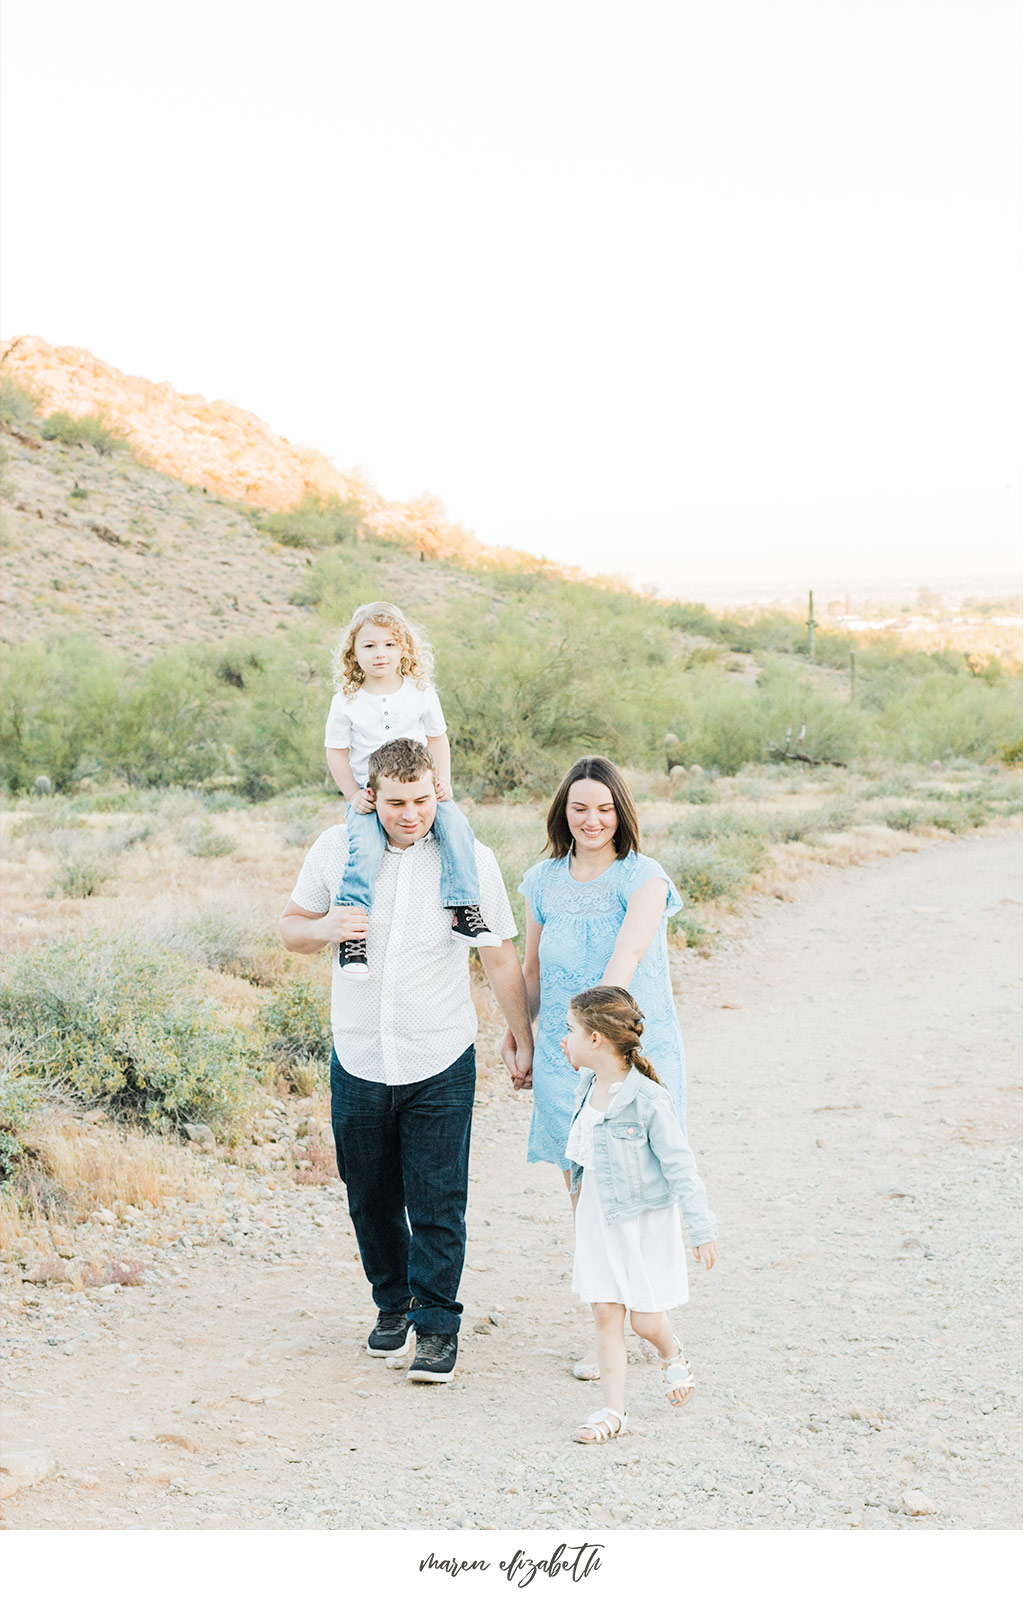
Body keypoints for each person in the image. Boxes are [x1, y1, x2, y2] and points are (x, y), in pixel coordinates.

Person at [279, 737, 533, 1385]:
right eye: (396, 802)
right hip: (359, 1055)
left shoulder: (469, 858)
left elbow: (498, 955)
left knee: (439, 1199)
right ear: (372, 795)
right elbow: (291, 929)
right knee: (369, 1196)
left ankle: (438, 1327)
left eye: (422, 799)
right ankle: (393, 1305)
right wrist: (326, 928)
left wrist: (521, 1035)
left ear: (436, 792)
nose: (411, 813)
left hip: (439, 1056)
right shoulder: (337, 851)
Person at [500, 754, 688, 1381]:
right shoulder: (542, 881)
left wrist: (597, 1039)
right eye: (579, 807)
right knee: (586, 1200)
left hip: (625, 1061)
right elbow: (530, 971)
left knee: (631, 1195)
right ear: (564, 812)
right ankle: (612, 1330)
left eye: (604, 808)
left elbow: (628, 954)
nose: (592, 819)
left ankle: (642, 1323)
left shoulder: (645, 877)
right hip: (563, 1066)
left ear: (621, 812)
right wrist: (519, 1035)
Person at [561, 985, 717, 1444]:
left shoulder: (648, 1100)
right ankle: (613, 1411)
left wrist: (700, 1228)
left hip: (643, 1221)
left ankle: (673, 1353)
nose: (563, 1039)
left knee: (645, 1322)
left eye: (570, 1030)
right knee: (606, 1313)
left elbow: (681, 1166)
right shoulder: (586, 1086)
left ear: (596, 1040)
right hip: (599, 1217)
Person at [324, 600, 498, 977]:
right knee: (366, 847)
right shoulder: (347, 702)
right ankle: (354, 936)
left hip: (421, 790)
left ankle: (464, 910)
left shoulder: (420, 691)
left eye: (389, 644)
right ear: (353, 652)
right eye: (368, 645)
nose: (380, 653)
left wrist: (442, 782)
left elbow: (438, 738)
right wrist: (353, 794)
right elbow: (336, 753)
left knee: (456, 828)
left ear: (404, 648)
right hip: (374, 796)